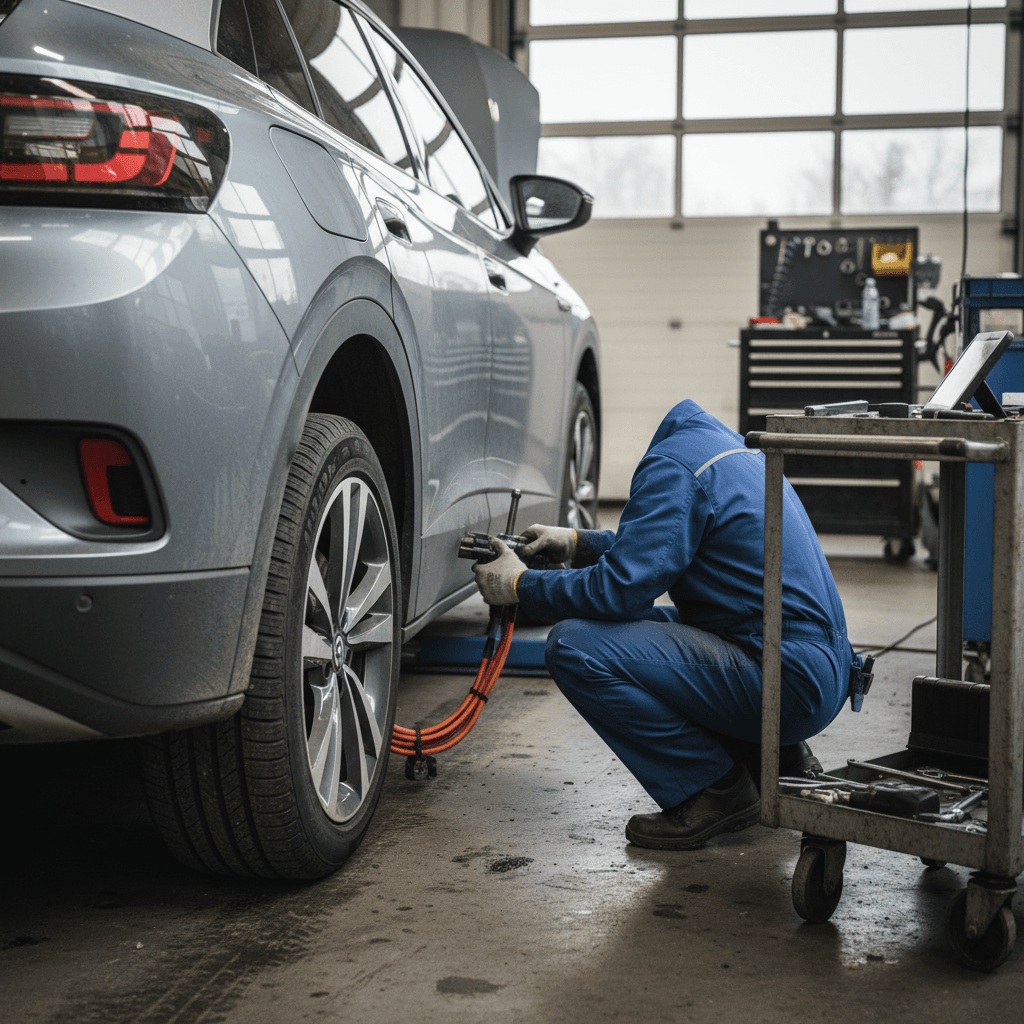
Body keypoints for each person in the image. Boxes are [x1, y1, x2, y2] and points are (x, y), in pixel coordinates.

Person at [472, 399, 855, 851]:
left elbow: (619, 592)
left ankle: (712, 791)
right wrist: (577, 542)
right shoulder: (733, 453)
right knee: (657, 629)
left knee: (576, 646)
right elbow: (670, 541)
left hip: (783, 681)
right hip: (816, 670)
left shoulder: (670, 464)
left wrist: (520, 584)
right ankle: (775, 756)